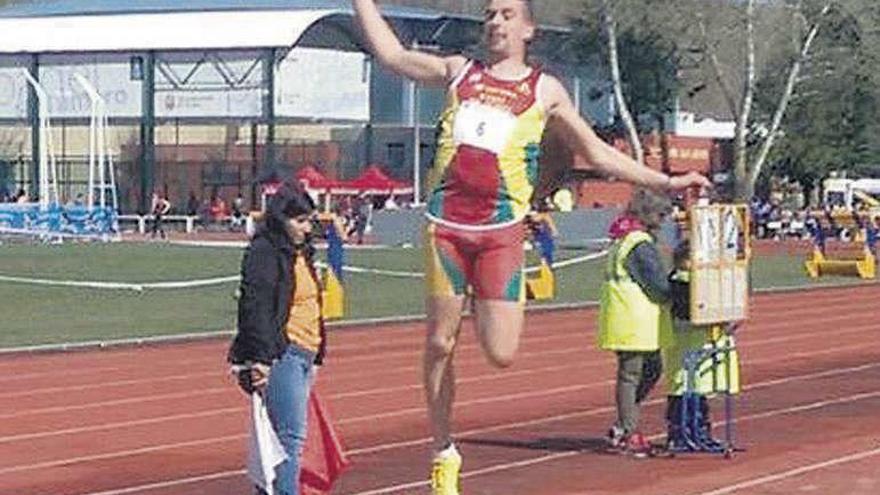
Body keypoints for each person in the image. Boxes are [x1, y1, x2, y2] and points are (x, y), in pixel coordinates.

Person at [352, 1, 711, 491]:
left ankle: (480, 298)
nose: (495, 21)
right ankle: (443, 453)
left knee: (501, 352)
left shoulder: (545, 90)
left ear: (528, 28)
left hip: (501, 233)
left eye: (505, 13)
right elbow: (392, 55)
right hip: (447, 227)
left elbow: (596, 152)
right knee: (439, 341)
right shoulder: (460, 72)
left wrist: (665, 182)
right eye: (490, 14)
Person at [228, 184, 326, 495]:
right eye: (299, 221)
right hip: (282, 353)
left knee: (280, 440)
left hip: (304, 355)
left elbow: (313, 304)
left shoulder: (301, 252)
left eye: (309, 221)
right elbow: (255, 305)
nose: (306, 228)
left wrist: (319, 354)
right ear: (281, 219)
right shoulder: (265, 252)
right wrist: (259, 358)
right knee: (288, 440)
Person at [598, 189, 674, 457]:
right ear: (649, 214)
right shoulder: (639, 243)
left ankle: (624, 422)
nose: (664, 221)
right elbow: (656, 283)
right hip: (633, 317)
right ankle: (627, 431)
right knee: (631, 374)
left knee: (651, 369)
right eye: (661, 215)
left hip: (630, 316)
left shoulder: (623, 239)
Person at [662, 240, 740, 451]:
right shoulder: (681, 282)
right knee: (684, 390)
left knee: (697, 391)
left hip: (698, 344)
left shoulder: (691, 280)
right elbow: (689, 310)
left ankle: (698, 432)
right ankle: (682, 433)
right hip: (687, 344)